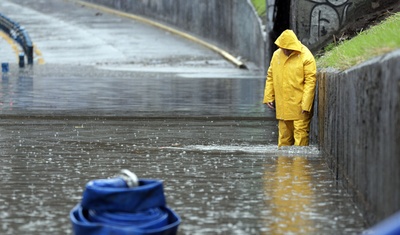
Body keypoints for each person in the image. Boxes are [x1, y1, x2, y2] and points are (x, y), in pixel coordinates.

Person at [263, 29, 317, 147]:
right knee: (284, 139)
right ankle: (283, 164)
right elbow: (271, 76)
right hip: (283, 106)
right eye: (283, 48)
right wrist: (269, 96)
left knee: (300, 137)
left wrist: (306, 104)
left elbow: (310, 81)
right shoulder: (277, 55)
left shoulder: (306, 56)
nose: (285, 51)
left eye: (288, 49)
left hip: (300, 106)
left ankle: (299, 163)